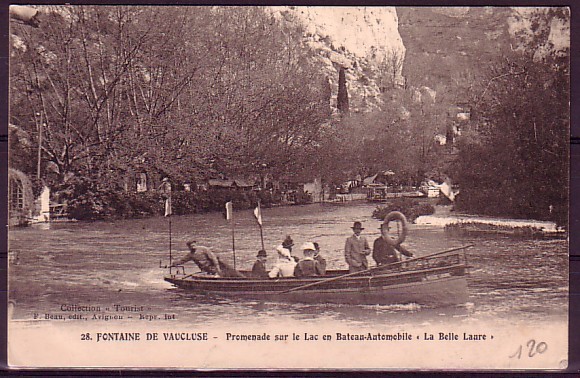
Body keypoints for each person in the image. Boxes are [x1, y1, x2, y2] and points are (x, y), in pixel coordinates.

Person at [171, 240, 244, 278]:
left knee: (232, 272)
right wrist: (174, 263)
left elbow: (214, 258)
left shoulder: (204, 249)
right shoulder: (190, 255)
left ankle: (242, 279)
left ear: (196, 244)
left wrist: (218, 269)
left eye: (194, 245)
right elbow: (182, 261)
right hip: (207, 269)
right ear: (189, 247)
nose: (193, 247)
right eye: (191, 246)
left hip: (216, 266)